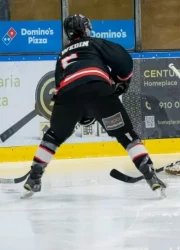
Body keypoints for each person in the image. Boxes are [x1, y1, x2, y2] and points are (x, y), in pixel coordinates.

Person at [22, 14, 166, 198]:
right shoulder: (94, 43)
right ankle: (150, 175)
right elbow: (124, 62)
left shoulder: (62, 55)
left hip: (67, 97)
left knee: (53, 136)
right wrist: (121, 81)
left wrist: (80, 113)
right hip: (98, 90)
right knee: (127, 136)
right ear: (86, 29)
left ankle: (34, 177)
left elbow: (59, 84)